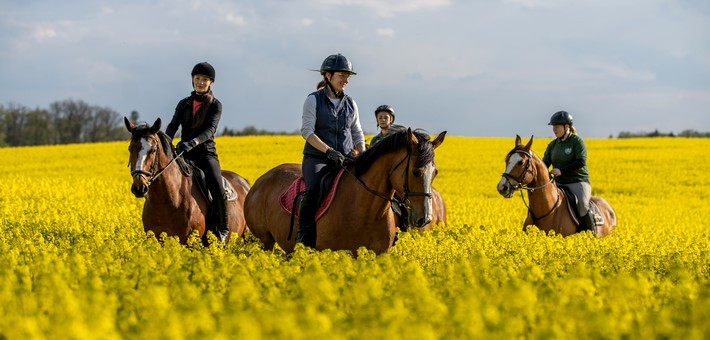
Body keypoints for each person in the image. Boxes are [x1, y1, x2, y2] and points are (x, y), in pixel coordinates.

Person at [297, 54, 366, 248]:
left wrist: (362, 152)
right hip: (318, 157)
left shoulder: (351, 103)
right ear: (327, 75)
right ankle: (303, 235)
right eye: (342, 76)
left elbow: (357, 133)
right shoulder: (313, 100)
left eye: (348, 77)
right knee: (313, 189)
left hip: (345, 158)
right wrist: (328, 151)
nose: (346, 81)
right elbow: (307, 131)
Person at [165, 62, 229, 243]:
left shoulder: (216, 105)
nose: (200, 82)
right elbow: (172, 126)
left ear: (211, 83)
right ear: (193, 80)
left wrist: (193, 142)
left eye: (205, 80)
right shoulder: (183, 103)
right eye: (197, 79)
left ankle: (223, 228)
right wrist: (165, 142)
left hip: (205, 152)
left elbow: (210, 129)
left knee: (216, 184)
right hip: (184, 153)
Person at [542, 110, 594, 232]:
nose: (554, 130)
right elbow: (545, 164)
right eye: (553, 127)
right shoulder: (552, 145)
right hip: (558, 183)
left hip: (578, 182)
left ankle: (590, 234)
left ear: (567, 127)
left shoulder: (577, 142)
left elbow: (581, 162)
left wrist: (561, 171)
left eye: (557, 127)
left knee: (582, 205)